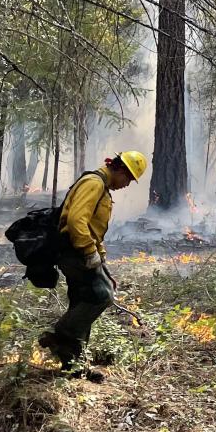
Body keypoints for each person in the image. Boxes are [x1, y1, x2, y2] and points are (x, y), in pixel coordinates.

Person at [38, 151, 147, 380]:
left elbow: (94, 229)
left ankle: (74, 367)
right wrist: (89, 252)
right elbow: (77, 220)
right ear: (120, 170)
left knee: (81, 301)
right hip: (74, 252)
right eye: (128, 179)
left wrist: (101, 261)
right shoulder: (94, 183)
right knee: (102, 295)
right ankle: (62, 333)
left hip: (80, 251)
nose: (127, 185)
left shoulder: (101, 186)